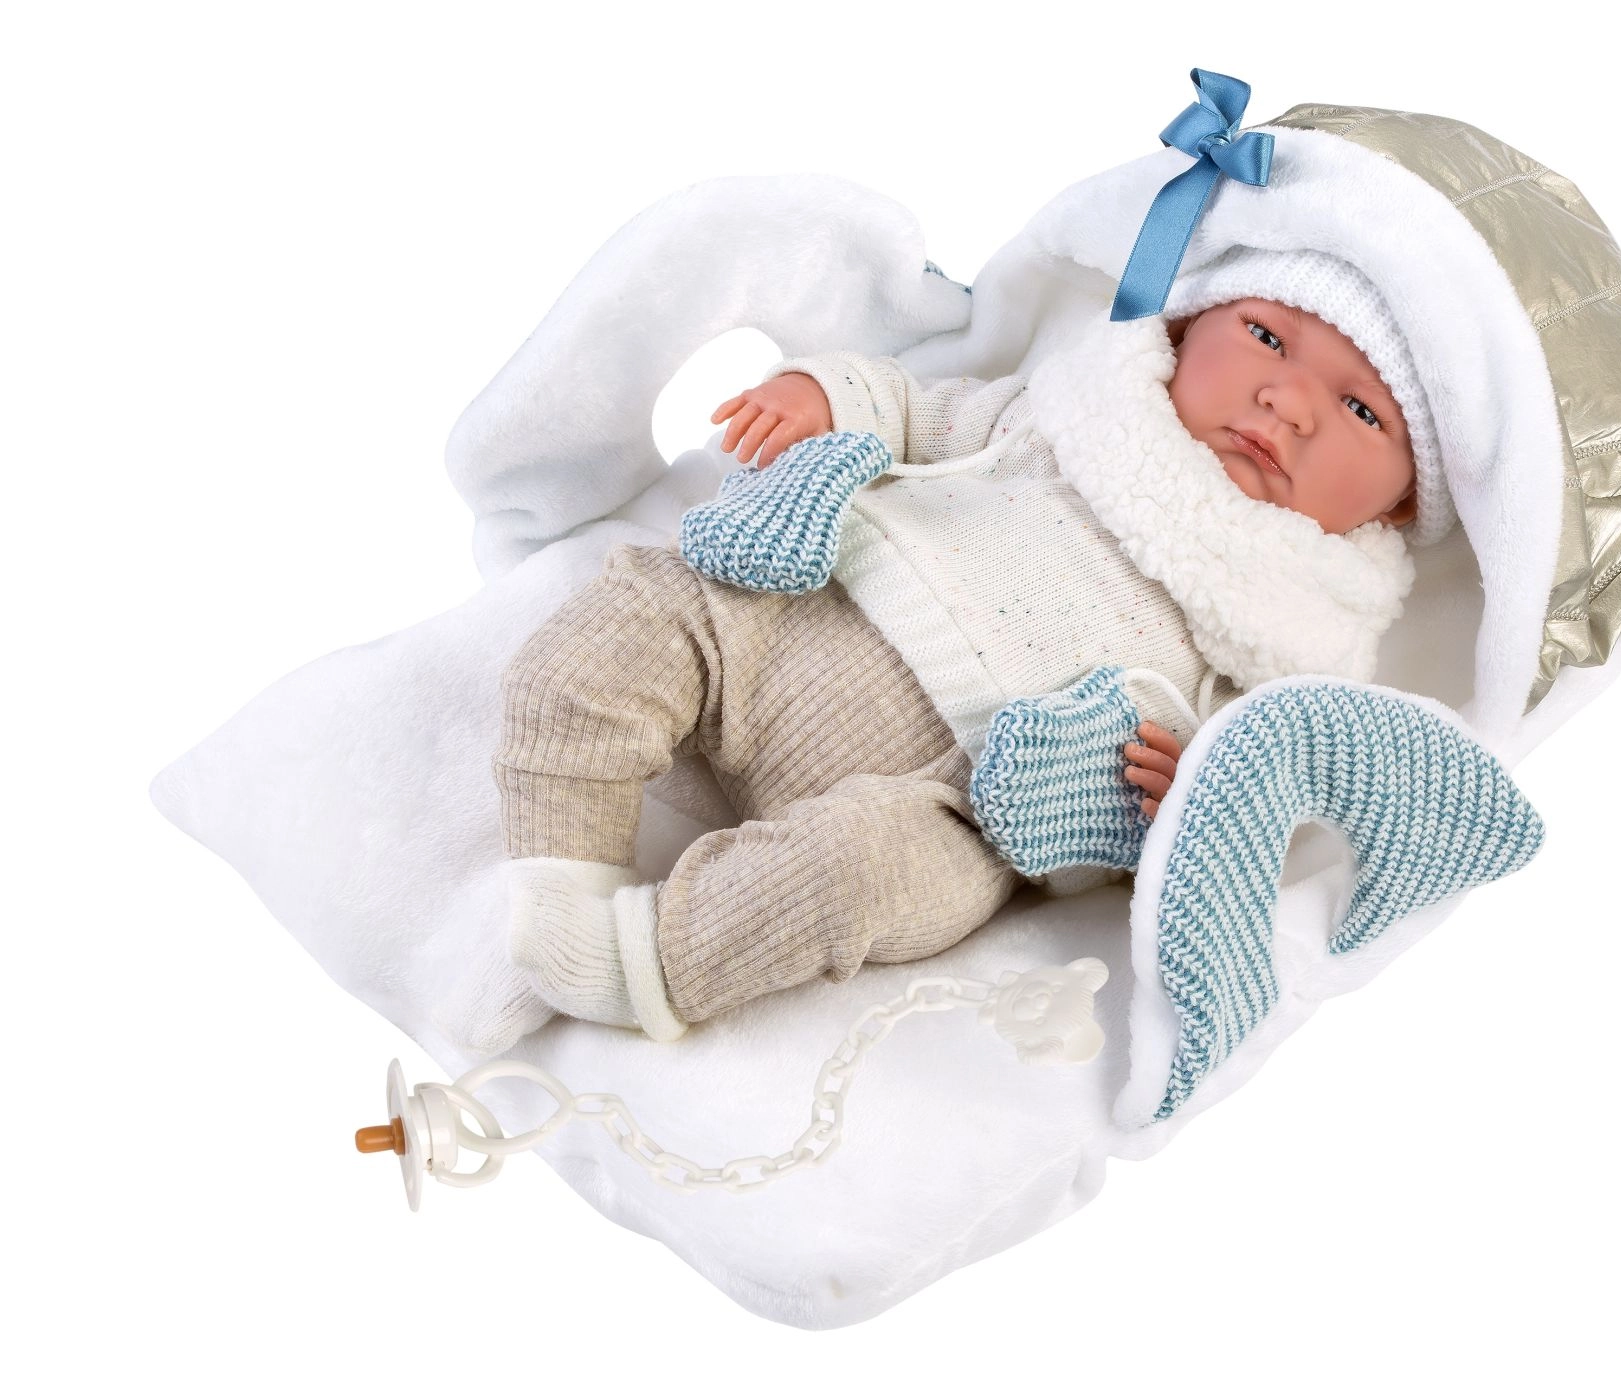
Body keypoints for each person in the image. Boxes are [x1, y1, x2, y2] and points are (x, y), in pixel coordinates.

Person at [445, 250, 1448, 1054]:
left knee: (858, 882)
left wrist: (1193, 794)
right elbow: (915, 413)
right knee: (619, 628)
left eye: (1362, 411)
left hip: (952, 805)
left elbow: (1257, 793)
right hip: (790, 607)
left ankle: (638, 963)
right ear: (1185, 329)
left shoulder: (1296, 631)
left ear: (1399, 504)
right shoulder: (1067, 417)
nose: (1289, 402)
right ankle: (561, 877)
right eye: (1266, 336)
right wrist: (823, 396)